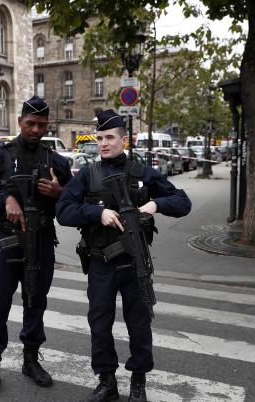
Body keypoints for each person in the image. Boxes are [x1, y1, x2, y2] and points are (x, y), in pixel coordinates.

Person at [56, 109, 191, 402]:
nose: (104, 143)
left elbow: (183, 202)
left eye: (110, 137)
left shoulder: (143, 173)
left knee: (139, 325)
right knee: (99, 323)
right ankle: (107, 381)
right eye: (100, 138)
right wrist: (97, 212)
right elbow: (63, 212)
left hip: (134, 263)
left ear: (123, 139)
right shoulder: (88, 174)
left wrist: (154, 205)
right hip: (100, 261)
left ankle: (138, 382)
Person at [0, 95, 71, 400]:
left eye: (41, 124)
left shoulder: (57, 161)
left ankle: (30, 361)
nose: (36, 130)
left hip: (40, 241)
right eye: (30, 123)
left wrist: (59, 191)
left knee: (35, 302)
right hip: (6, 239)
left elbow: (77, 201)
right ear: (19, 122)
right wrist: (5, 200)